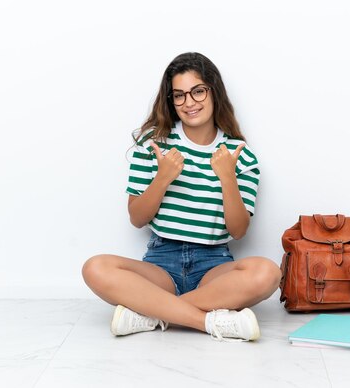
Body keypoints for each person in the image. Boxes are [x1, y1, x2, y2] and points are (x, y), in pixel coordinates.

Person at [82, 52, 281, 342]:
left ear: (214, 92)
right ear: (171, 101)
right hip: (161, 263)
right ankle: (207, 322)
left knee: (268, 273)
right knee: (95, 267)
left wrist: (227, 176)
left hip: (212, 266)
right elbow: (137, 218)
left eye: (198, 91)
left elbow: (238, 231)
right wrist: (163, 178)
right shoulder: (153, 144)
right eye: (179, 95)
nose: (189, 103)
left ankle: (150, 314)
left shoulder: (239, 154)